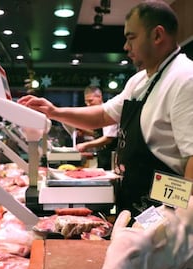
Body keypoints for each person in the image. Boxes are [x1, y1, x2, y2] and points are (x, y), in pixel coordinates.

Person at [18, 0, 193, 217]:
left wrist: (175, 222)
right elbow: (102, 115)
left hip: (164, 214)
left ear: (157, 35)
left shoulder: (185, 79)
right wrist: (54, 111)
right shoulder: (139, 81)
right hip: (136, 203)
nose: (125, 47)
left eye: (131, 38)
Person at [75, 86, 118, 170]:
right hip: (102, 155)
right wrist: (84, 131)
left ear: (99, 97)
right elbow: (99, 134)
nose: (88, 104)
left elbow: (108, 138)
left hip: (111, 156)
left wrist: (85, 145)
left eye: (90, 101)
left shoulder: (108, 111)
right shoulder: (97, 113)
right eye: (86, 102)